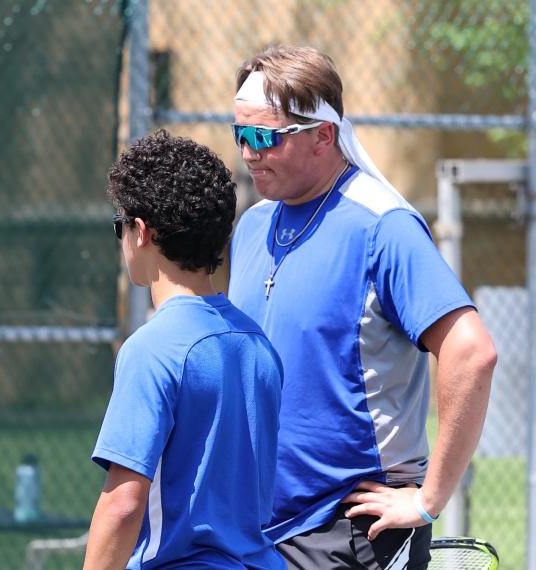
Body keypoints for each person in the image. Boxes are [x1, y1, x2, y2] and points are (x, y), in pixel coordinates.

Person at [227, 45, 497, 569]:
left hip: (349, 533)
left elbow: (472, 353)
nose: (249, 152)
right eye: (240, 134)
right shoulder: (254, 225)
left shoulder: (383, 226)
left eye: (265, 137)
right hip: (259, 528)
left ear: (323, 135)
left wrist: (427, 499)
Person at [85, 130, 285, 569]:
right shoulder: (258, 345)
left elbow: (123, 504)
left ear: (141, 232)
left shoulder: (151, 350)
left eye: (119, 225)